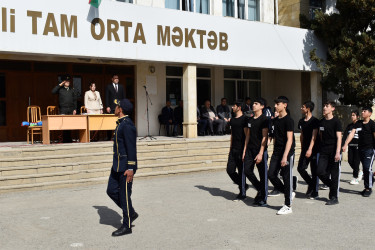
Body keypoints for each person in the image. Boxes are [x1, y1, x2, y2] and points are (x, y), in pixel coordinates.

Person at [106, 98, 138, 237]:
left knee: (124, 197)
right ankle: (130, 212)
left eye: (116, 106)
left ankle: (127, 225)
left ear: (121, 109)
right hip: (117, 165)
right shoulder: (121, 124)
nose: (115, 108)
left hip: (125, 167)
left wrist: (131, 168)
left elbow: (131, 148)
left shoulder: (127, 125)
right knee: (111, 190)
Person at [268, 96, 295, 215]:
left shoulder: (288, 120)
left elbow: (289, 140)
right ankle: (288, 192)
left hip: (287, 152)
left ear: (285, 105)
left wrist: (285, 156)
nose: (275, 106)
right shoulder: (275, 120)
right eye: (275, 104)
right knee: (271, 174)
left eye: (277, 104)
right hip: (276, 152)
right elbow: (273, 137)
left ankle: (288, 205)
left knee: (286, 177)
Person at [342, 107, 375, 197]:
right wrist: (345, 144)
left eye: (365, 111)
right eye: (362, 111)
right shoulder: (359, 123)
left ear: (370, 113)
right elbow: (351, 134)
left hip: (370, 149)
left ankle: (368, 188)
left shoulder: (372, 124)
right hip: (360, 149)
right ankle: (370, 180)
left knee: (367, 168)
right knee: (365, 169)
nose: (363, 112)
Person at [243, 98, 269, 206]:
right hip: (250, 149)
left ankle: (263, 199)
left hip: (260, 150)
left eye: (256, 103)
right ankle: (260, 189)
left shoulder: (264, 119)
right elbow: (247, 136)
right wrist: (244, 151)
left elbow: (265, 137)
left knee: (263, 175)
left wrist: (261, 153)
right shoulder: (250, 119)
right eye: (253, 103)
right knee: (247, 170)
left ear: (262, 106)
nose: (253, 105)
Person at [316, 101, 342, 205]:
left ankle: (334, 197)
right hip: (324, 151)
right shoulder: (321, 122)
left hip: (334, 151)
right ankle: (332, 185)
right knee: (319, 171)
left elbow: (339, 137)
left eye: (327, 106)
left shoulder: (336, 121)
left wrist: (337, 152)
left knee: (334, 174)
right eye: (324, 106)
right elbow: (321, 136)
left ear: (332, 109)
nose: (324, 108)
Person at [297, 101, 320, 199]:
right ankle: (311, 184)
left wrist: (310, 149)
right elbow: (302, 135)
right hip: (304, 148)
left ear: (308, 109)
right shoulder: (301, 121)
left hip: (314, 149)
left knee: (314, 171)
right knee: (300, 168)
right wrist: (303, 148)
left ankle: (315, 191)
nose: (301, 108)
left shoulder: (315, 121)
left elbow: (314, 136)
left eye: (303, 107)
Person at [226, 101, 248, 200]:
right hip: (233, 148)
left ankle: (242, 193)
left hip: (241, 149)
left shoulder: (244, 119)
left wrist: (245, 150)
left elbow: (247, 135)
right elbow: (232, 134)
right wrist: (230, 147)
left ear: (239, 107)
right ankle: (243, 185)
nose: (232, 107)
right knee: (230, 170)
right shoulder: (233, 120)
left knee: (241, 171)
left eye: (234, 106)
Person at [52, 74, 77, 143]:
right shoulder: (60, 89)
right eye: (66, 81)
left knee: (70, 125)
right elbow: (53, 91)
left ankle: (69, 139)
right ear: (63, 82)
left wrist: (75, 109)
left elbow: (75, 100)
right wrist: (60, 84)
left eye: (68, 81)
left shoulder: (72, 90)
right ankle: (64, 139)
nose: (68, 82)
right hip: (63, 109)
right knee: (64, 124)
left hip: (71, 109)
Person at [342, 110, 362, 185]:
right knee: (350, 161)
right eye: (351, 115)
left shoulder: (360, 124)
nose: (352, 116)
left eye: (353, 115)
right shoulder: (349, 126)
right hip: (351, 145)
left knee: (356, 162)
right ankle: (359, 171)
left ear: (357, 116)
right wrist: (343, 145)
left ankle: (355, 178)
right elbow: (345, 136)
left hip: (358, 146)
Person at [105, 74, 125, 140]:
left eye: (117, 78)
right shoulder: (109, 87)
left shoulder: (121, 87)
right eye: (115, 78)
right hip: (111, 107)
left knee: (119, 122)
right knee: (110, 122)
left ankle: (118, 136)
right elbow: (107, 97)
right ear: (112, 79)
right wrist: (107, 106)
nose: (116, 79)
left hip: (119, 108)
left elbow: (123, 97)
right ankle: (109, 137)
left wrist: (122, 106)